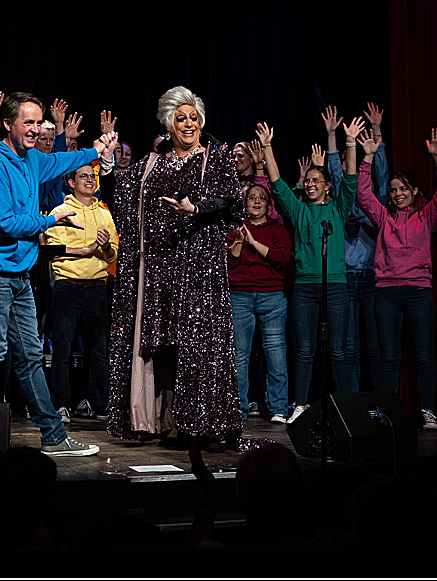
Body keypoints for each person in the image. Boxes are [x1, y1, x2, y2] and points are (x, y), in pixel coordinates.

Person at [0, 91, 117, 457]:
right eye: (27, 122)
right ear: (7, 124)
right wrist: (51, 219)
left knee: (31, 356)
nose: (34, 129)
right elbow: (3, 223)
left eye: (38, 122)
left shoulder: (31, 158)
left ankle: (53, 435)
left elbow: (63, 159)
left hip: (18, 274)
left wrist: (97, 149)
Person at [105, 86, 247, 451]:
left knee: (199, 343)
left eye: (193, 118)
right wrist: (105, 163)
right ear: (169, 124)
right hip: (158, 270)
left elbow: (233, 202)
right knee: (164, 345)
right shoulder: (153, 164)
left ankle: (206, 423)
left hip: (199, 270)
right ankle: (165, 419)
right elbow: (122, 193)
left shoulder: (215, 160)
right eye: (180, 118)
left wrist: (195, 209)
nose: (188, 124)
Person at [258, 116, 363, 425]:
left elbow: (351, 180)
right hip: (304, 288)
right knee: (304, 351)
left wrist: (350, 142)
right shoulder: (298, 210)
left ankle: (345, 408)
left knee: (339, 351)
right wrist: (267, 147)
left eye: (317, 180)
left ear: (327, 186)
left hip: (336, 286)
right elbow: (277, 184)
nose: (311, 184)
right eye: (308, 180)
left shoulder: (338, 208)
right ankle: (301, 405)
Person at [356, 127, 437, 430]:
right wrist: (367, 158)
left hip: (418, 292)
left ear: (413, 191)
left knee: (423, 355)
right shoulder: (383, 217)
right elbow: (363, 194)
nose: (397, 194)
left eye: (403, 189)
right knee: (389, 357)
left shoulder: (425, 216)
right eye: (394, 190)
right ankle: (388, 413)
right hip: (386, 293)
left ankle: (428, 411)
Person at [44, 163, 118, 422]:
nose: (89, 180)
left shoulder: (104, 214)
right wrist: (84, 250)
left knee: (98, 351)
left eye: (92, 176)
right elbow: (53, 249)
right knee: (62, 350)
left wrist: (104, 247)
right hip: (68, 287)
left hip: (97, 288)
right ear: (71, 182)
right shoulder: (60, 212)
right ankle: (61, 404)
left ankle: (101, 404)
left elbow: (112, 255)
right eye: (83, 176)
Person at [324, 102, 389, 392]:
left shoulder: (380, 203)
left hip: (373, 278)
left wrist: (376, 129)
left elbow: (382, 173)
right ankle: (351, 402)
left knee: (375, 346)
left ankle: (380, 401)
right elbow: (336, 173)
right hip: (347, 276)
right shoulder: (345, 201)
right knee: (349, 346)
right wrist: (332, 136)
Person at [227, 184, 293, 424]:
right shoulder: (236, 229)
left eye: (261, 198)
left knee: (275, 352)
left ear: (268, 204)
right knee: (240, 355)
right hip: (240, 295)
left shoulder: (278, 230)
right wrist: (239, 240)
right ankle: (239, 409)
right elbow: (230, 264)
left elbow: (281, 259)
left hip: (272, 296)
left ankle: (278, 409)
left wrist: (254, 242)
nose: (256, 201)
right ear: (244, 203)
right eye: (251, 198)